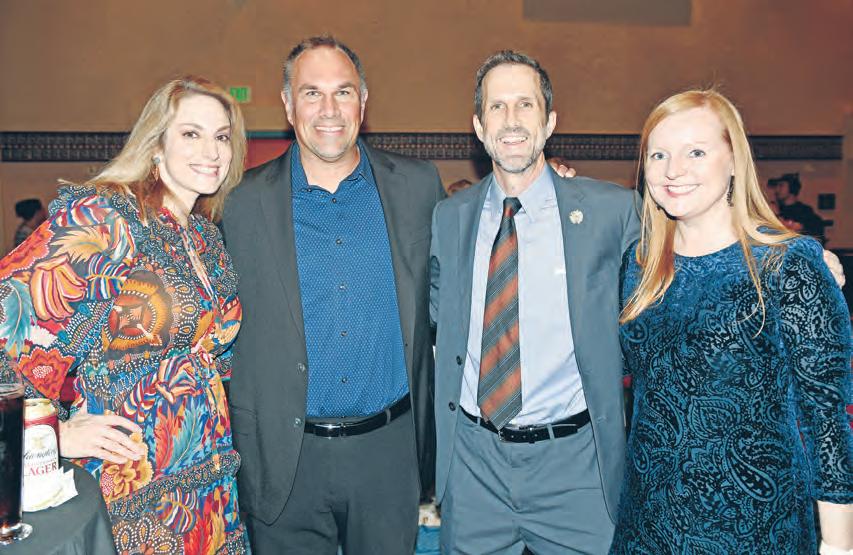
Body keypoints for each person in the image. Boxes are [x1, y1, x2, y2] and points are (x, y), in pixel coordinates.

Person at [0, 76, 249, 553]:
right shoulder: (106, 217)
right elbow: (9, 319)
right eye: (191, 133)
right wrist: (51, 434)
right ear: (156, 145)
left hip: (210, 480)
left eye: (222, 136)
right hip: (132, 481)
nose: (212, 151)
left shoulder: (205, 238)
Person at [222, 36, 444, 554]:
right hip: (284, 456)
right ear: (287, 104)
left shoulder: (417, 187)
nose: (329, 109)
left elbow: (464, 266)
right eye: (311, 93)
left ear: (363, 102)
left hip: (389, 452)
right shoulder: (238, 203)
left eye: (343, 92)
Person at [611, 89, 852, 554]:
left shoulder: (786, 265)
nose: (673, 170)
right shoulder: (638, 267)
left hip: (756, 527)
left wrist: (838, 545)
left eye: (696, 152)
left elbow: (826, 420)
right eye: (658, 154)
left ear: (735, 161)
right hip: (648, 524)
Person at [429, 50, 639, 554]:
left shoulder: (611, 212)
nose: (512, 119)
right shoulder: (449, 217)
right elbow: (433, 316)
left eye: (525, 104)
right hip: (475, 467)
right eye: (497, 106)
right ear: (478, 127)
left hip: (576, 468)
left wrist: (775, 249)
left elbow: (684, 261)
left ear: (549, 123)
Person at [767, 172, 826, 243]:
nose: (777, 190)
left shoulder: (804, 211)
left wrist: (778, 215)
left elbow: (792, 231)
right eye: (776, 186)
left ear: (792, 188)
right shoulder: (775, 208)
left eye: (781, 186)